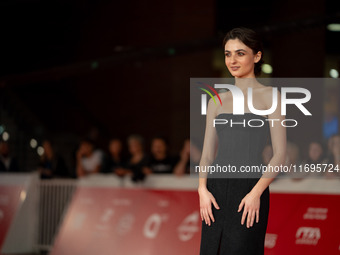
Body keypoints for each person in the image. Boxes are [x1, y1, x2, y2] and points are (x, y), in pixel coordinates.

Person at [198, 27, 286, 254]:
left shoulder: (271, 97)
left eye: (240, 53)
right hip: (214, 193)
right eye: (228, 54)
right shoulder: (216, 101)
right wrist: (202, 189)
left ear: (256, 56)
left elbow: (280, 155)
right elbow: (207, 154)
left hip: (250, 188)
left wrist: (256, 193)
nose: (232, 60)